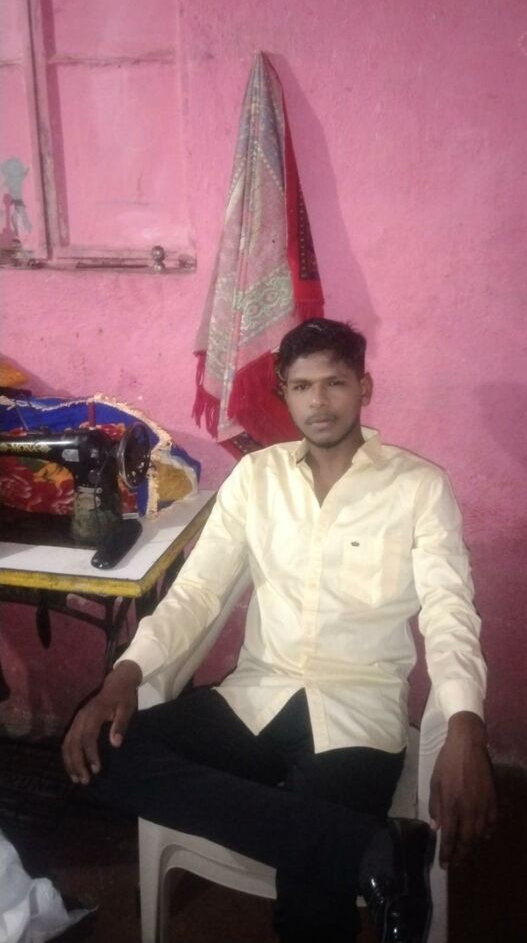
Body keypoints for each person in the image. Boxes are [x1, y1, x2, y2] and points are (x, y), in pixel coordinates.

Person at [63, 318, 496, 943]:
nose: (318, 402)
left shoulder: (418, 488)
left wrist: (466, 725)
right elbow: (199, 591)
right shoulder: (256, 478)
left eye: (334, 383)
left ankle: (332, 845)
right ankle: (371, 847)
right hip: (255, 698)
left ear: (365, 388)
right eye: (301, 387)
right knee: (103, 754)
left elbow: (449, 610)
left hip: (357, 713)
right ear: (285, 395)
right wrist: (125, 674)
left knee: (310, 910)